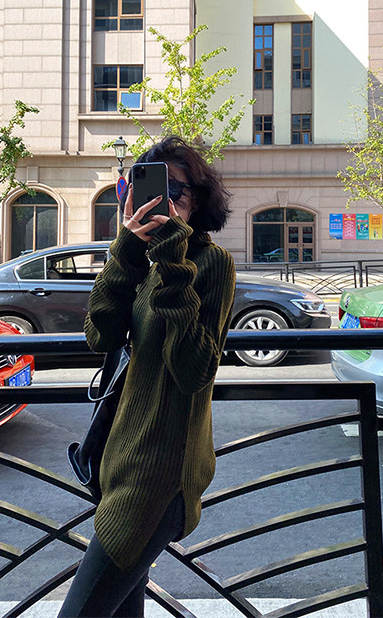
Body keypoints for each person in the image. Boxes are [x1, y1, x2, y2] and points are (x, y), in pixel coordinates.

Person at [58, 135, 237, 617]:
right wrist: (126, 252)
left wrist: (174, 262)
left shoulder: (211, 263)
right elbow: (100, 335)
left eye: (177, 191)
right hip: (120, 461)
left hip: (159, 476)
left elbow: (195, 371)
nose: (166, 201)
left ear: (199, 201)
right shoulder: (141, 258)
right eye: (153, 189)